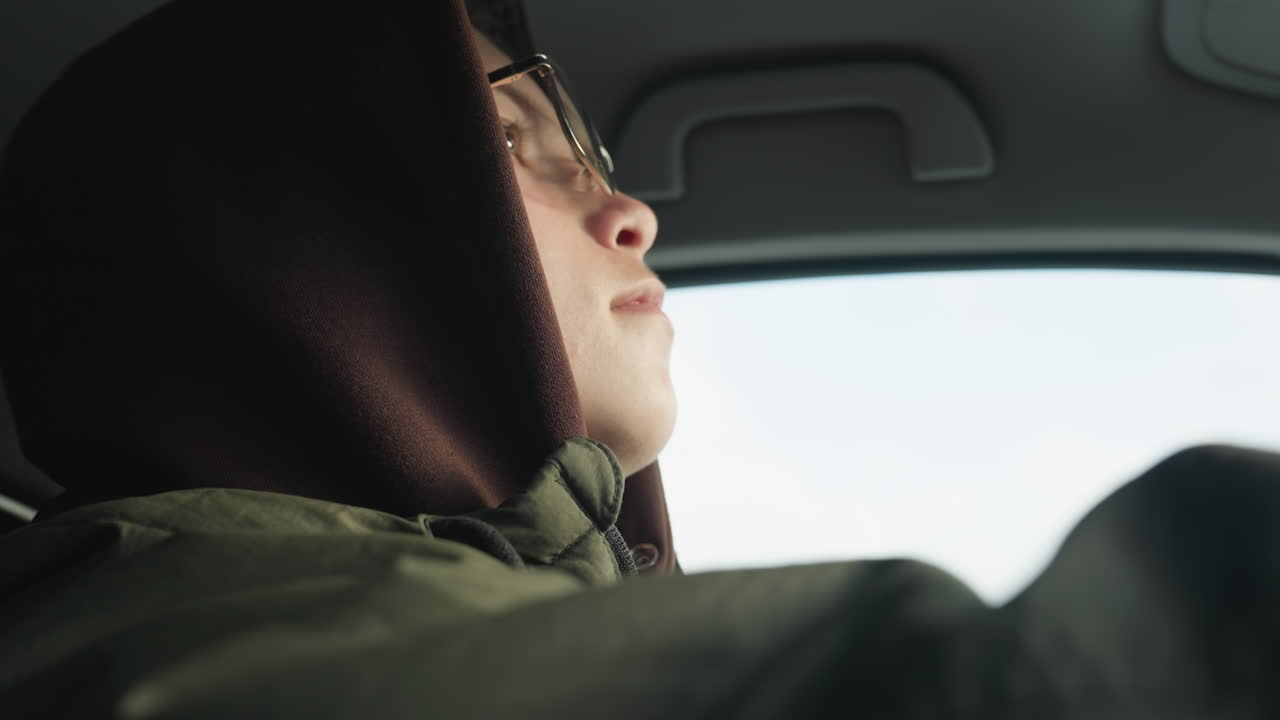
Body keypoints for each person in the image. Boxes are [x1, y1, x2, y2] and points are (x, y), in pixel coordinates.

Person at [2, 0, 1280, 716]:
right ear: (294, 232)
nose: (631, 213)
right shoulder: (191, 616)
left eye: (587, 154)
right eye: (507, 147)